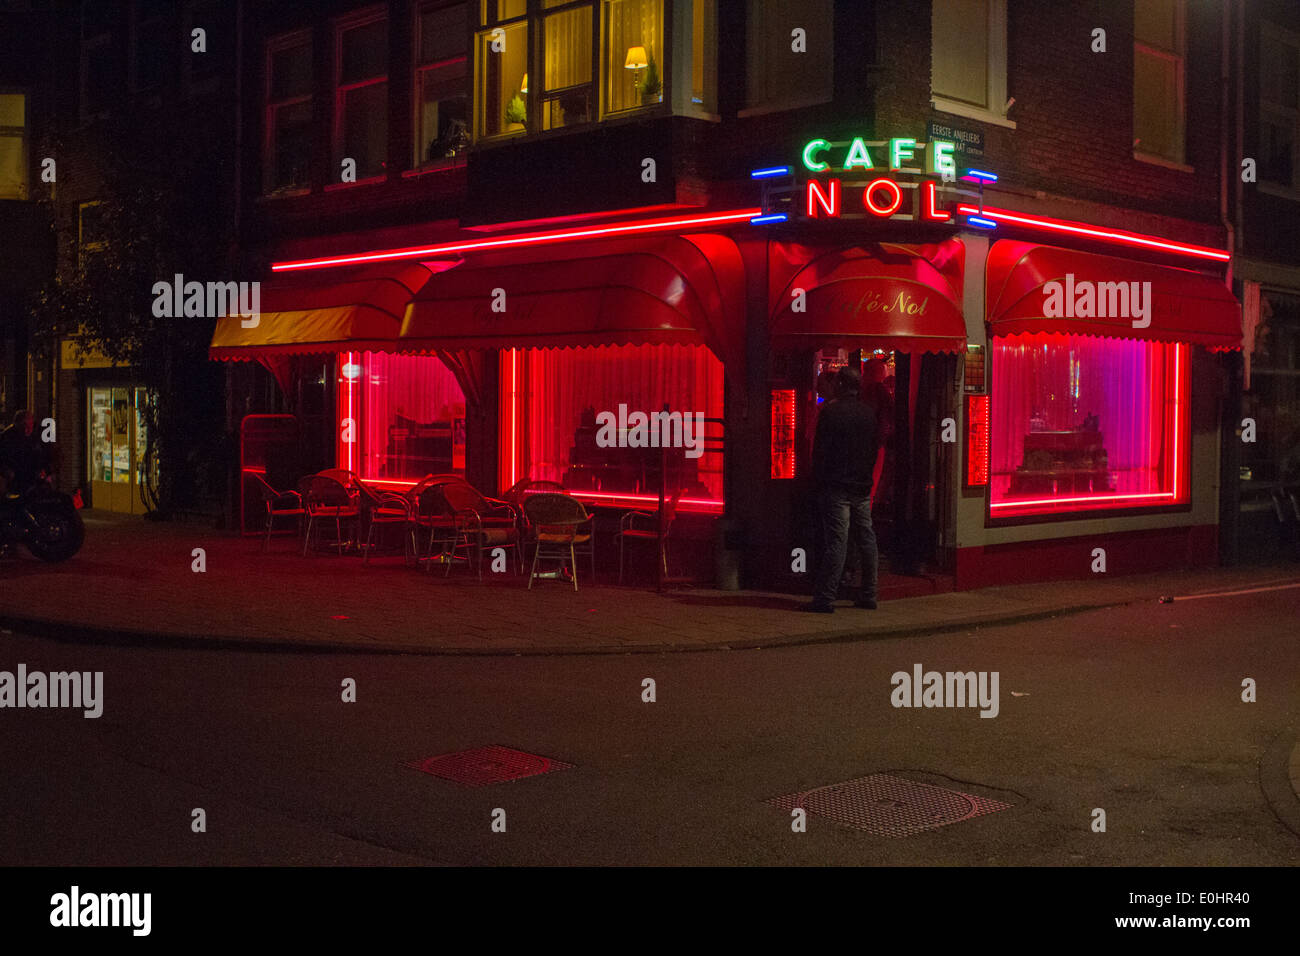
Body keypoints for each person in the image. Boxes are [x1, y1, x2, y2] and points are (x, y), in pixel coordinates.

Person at [800, 367, 879, 613]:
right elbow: (873, 450)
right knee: (867, 539)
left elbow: (820, 453)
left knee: (837, 541)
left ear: (842, 385)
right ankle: (869, 593)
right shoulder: (868, 414)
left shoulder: (830, 413)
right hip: (861, 486)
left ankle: (825, 598)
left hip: (836, 486)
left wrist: (817, 481)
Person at [0, 410, 47, 495]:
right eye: (24, 425)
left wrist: (43, 470)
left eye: (30, 426)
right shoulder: (6, 437)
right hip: (14, 479)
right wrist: (6, 471)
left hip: (31, 477)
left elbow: (39, 455)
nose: (27, 429)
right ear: (16, 424)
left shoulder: (34, 438)